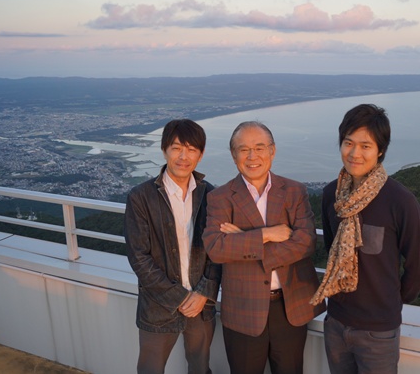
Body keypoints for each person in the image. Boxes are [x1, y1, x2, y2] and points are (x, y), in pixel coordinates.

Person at [310, 104, 420, 374]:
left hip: (378, 332)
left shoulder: (400, 201)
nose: (354, 153)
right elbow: (332, 249)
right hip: (337, 322)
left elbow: (418, 268)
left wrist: (388, 303)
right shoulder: (332, 195)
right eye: (348, 143)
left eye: (365, 146)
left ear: (380, 150)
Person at [203, 121, 325, 374]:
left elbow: (305, 242)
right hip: (243, 309)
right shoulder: (220, 197)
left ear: (273, 150)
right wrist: (267, 234)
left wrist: (243, 241)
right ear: (233, 154)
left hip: (290, 306)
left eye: (259, 148)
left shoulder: (294, 191)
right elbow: (215, 247)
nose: (252, 156)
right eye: (243, 149)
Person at [123, 119, 221, 374]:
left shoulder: (211, 195)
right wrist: (180, 297)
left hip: (201, 305)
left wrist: (202, 294)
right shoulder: (141, 197)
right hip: (158, 305)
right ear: (165, 149)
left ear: (201, 154)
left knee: (200, 367)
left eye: (191, 149)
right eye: (177, 148)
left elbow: (218, 251)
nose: (184, 156)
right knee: (150, 368)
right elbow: (139, 257)